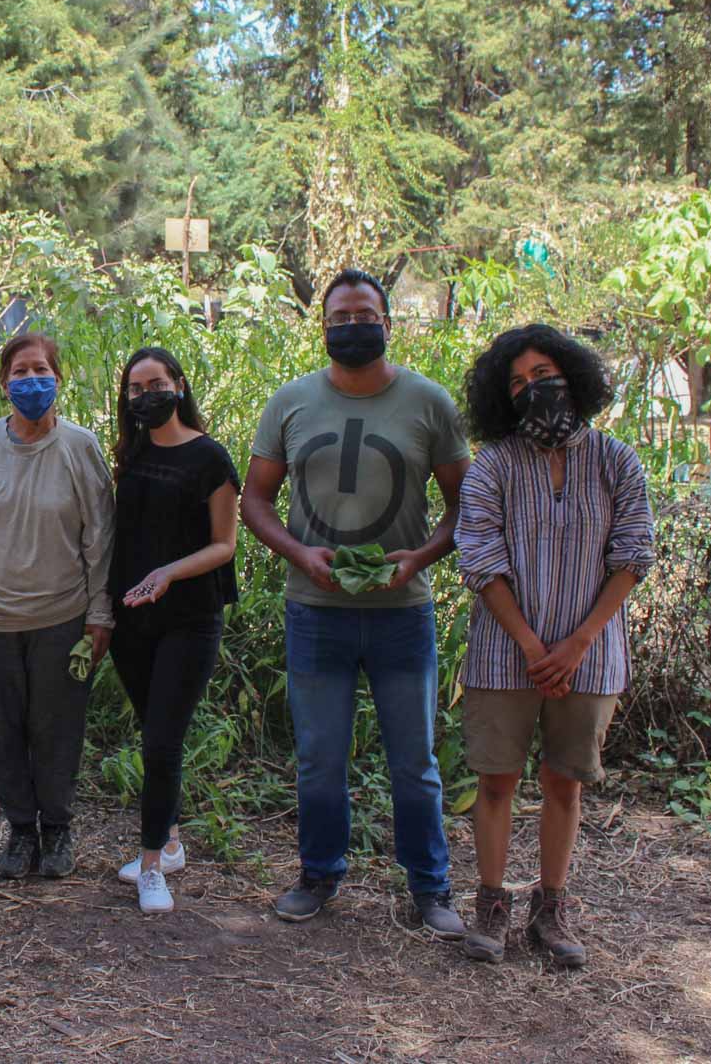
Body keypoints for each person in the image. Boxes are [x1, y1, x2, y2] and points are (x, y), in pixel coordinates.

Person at [240, 268, 469, 941]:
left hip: (403, 613)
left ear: (388, 323)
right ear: (322, 328)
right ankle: (318, 875)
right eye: (338, 318)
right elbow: (255, 501)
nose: (352, 327)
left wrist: (419, 558)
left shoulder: (428, 403)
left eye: (364, 316)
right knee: (319, 759)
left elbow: (465, 506)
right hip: (315, 611)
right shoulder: (291, 402)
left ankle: (430, 887)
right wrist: (298, 554)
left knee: (415, 764)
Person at [454, 323, 655, 968]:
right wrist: (533, 646)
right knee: (496, 782)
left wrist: (576, 645)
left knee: (565, 782)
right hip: (502, 656)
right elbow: (479, 558)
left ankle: (552, 907)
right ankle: (491, 904)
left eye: (542, 375)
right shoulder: (493, 465)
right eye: (517, 383)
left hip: (590, 659)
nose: (532, 389)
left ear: (572, 375)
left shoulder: (618, 461)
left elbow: (633, 554)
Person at [0, 332, 114, 880]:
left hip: (61, 616)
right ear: (3, 383)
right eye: (20, 372)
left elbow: (100, 539)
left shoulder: (80, 447)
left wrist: (100, 613)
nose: (31, 381)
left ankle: (56, 828)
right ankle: (19, 829)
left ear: (58, 379)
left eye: (41, 371)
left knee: (57, 729)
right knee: (4, 728)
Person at [107, 347, 239, 914]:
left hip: (189, 618)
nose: (146, 397)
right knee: (154, 733)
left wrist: (168, 573)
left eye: (156, 385)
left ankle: (151, 867)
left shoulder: (210, 458)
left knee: (162, 740)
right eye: (135, 389)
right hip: (131, 618)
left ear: (179, 386)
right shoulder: (131, 452)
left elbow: (224, 545)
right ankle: (172, 842)